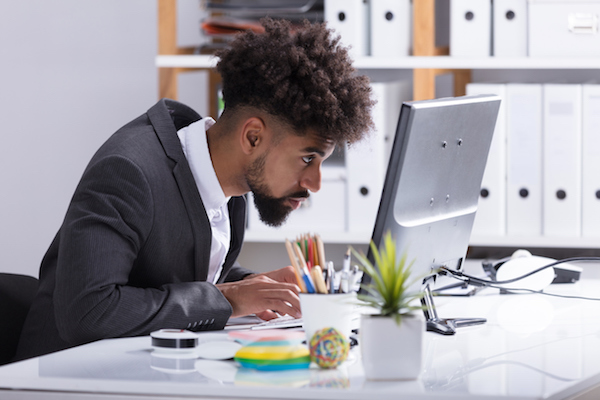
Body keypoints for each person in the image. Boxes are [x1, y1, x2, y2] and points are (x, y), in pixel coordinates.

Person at [15, 17, 375, 361]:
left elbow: (168, 272)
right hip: (64, 381)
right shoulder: (129, 171)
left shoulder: (226, 174)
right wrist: (228, 301)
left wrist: (254, 286)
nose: (315, 183)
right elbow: (89, 311)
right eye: (308, 158)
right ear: (253, 136)